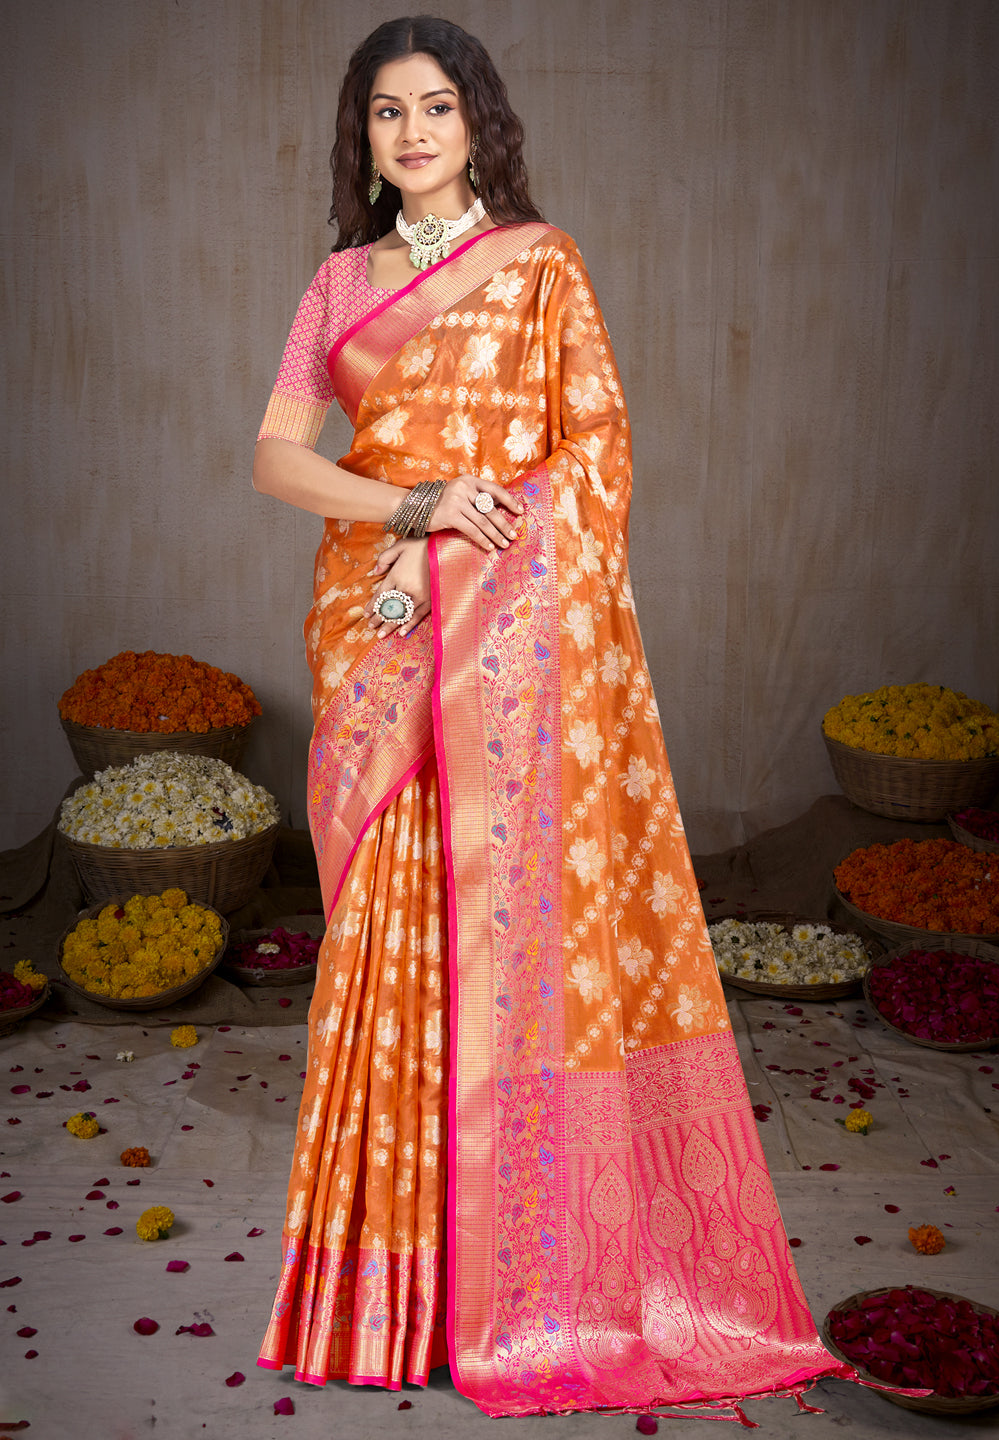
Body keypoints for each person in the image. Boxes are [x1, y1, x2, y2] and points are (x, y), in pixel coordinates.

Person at [253, 15, 854, 1421]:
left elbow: (596, 449)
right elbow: (278, 459)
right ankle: (387, 1297)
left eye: (439, 108)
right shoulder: (336, 283)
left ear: (482, 125)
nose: (412, 133)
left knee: (511, 947)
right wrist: (411, 512)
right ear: (364, 136)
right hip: (381, 634)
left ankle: (528, 1281)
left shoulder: (542, 267)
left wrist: (469, 541)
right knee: (389, 953)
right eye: (387, 112)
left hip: (503, 663)